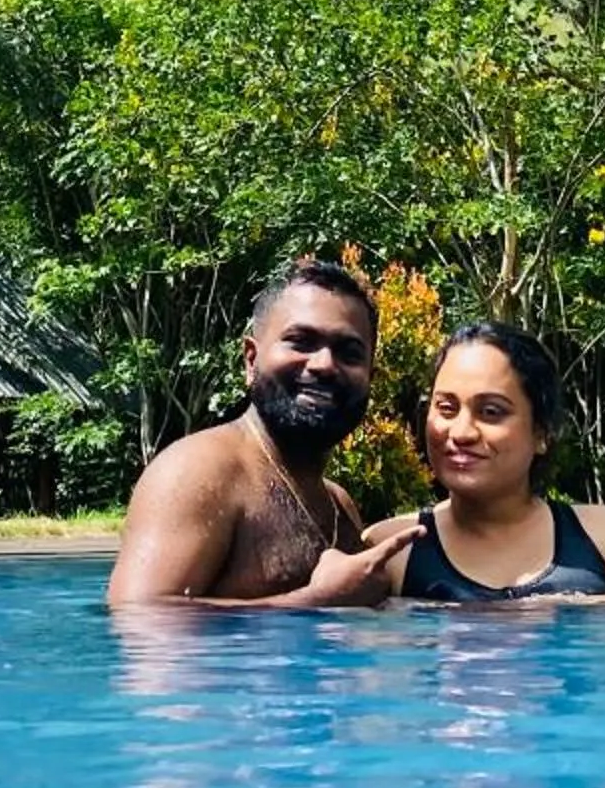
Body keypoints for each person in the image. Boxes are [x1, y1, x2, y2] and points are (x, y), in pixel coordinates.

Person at [105, 259, 425, 607]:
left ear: (370, 377)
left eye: (349, 353)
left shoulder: (339, 505)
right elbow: (138, 615)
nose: (324, 364)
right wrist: (318, 599)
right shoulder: (197, 472)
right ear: (250, 359)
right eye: (300, 341)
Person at [392, 321, 605, 600]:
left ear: (542, 433)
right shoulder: (392, 551)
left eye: (491, 412)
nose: (462, 432)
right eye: (446, 408)